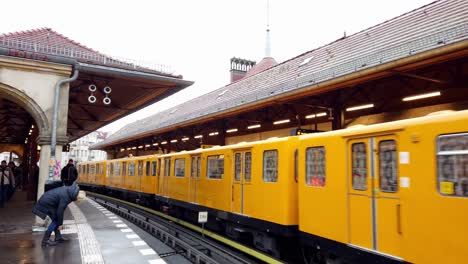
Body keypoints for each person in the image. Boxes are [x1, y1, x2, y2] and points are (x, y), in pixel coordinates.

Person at [32, 182, 80, 247]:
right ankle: (45, 241)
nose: (77, 198)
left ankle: (58, 237)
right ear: (74, 195)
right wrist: (60, 224)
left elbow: (60, 210)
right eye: (77, 197)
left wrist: (60, 223)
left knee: (56, 219)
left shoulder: (67, 191)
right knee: (55, 221)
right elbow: (60, 211)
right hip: (45, 204)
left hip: (47, 202)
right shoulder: (66, 197)